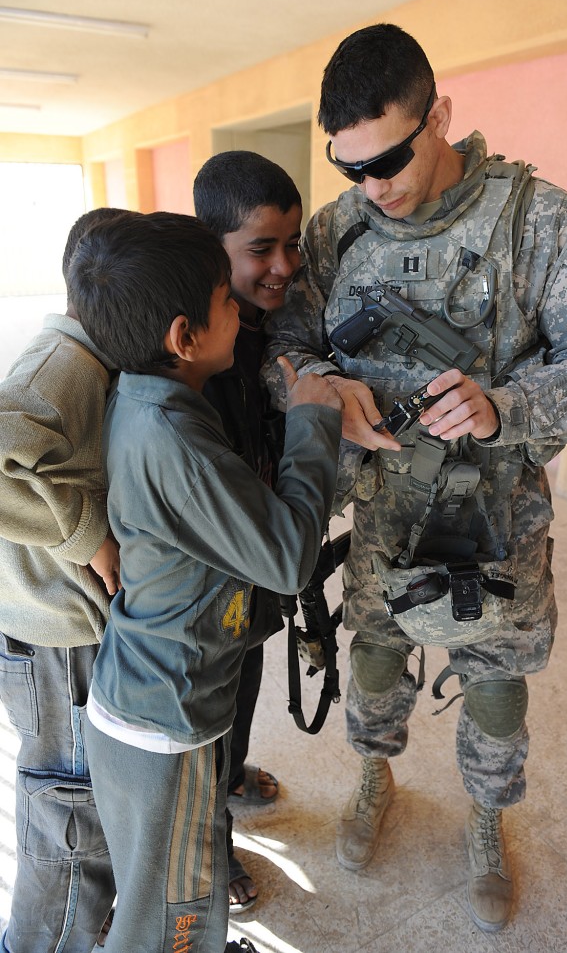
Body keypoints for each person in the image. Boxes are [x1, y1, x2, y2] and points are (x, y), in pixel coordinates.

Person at [262, 23, 567, 933]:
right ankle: (371, 780)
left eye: (389, 158)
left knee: (497, 682)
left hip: (497, 522)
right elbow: (280, 349)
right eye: (350, 168)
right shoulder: (337, 231)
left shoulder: (537, 220)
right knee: (376, 657)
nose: (372, 185)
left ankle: (484, 820)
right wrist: (321, 391)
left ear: (443, 117)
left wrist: (504, 407)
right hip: (384, 515)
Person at [67, 209, 342, 953]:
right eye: (229, 299)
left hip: (145, 696)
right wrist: (317, 423)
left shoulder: (147, 399)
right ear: (184, 336)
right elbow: (286, 556)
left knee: (156, 893)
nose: (244, 308)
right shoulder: (177, 442)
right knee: (179, 911)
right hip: (168, 723)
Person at [0, 208, 127, 953]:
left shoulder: (86, 358)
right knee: (74, 825)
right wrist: (88, 533)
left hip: (59, 636)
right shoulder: (63, 365)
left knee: (81, 814)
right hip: (59, 648)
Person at [193, 149, 303, 914]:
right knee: (206, 711)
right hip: (206, 584)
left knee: (246, 683)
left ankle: (232, 775)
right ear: (211, 250)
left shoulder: (267, 324)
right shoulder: (189, 346)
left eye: (291, 245)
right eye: (260, 248)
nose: (283, 267)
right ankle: (211, 842)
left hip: (256, 575)